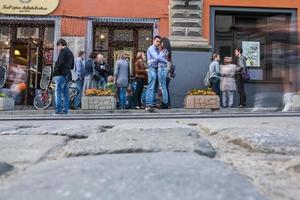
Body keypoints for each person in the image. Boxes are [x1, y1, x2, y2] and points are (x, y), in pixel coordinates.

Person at [52, 38, 74, 115]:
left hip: (61, 74)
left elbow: (60, 63)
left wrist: (55, 72)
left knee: (58, 92)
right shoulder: (70, 52)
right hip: (68, 74)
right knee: (66, 94)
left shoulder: (63, 51)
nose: (58, 48)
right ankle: (65, 110)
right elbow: (72, 66)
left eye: (58, 46)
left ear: (60, 44)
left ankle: (58, 110)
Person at [145, 35, 166, 111]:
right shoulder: (151, 48)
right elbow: (157, 57)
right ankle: (148, 104)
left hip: (157, 69)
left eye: (159, 42)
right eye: (157, 41)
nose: (158, 43)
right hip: (152, 69)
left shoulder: (158, 49)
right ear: (153, 41)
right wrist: (166, 61)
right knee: (151, 86)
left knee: (155, 87)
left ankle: (152, 103)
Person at [157, 38, 169, 109]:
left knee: (163, 87)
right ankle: (164, 102)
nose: (160, 44)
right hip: (162, 69)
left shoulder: (165, 51)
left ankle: (165, 103)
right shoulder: (164, 51)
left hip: (162, 69)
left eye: (161, 42)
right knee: (162, 86)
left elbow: (158, 58)